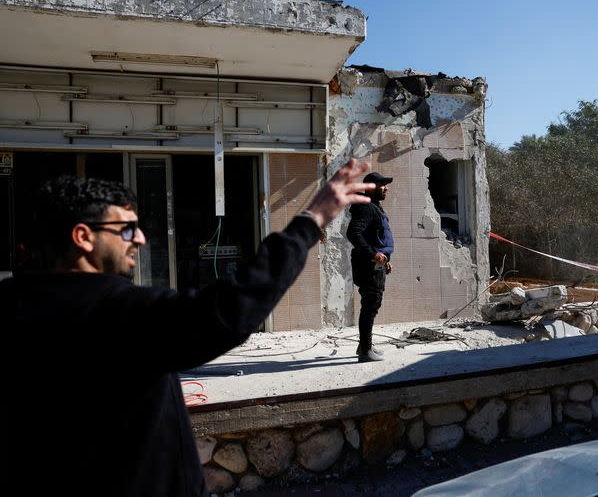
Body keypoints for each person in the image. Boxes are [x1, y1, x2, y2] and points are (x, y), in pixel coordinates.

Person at [3, 159, 374, 497]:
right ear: (83, 237)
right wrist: (310, 222)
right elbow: (232, 307)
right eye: (127, 230)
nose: (141, 240)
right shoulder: (119, 312)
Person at [346, 171, 394, 362]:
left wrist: (386, 260)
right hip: (368, 265)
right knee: (370, 306)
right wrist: (373, 254)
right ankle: (365, 350)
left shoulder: (374, 207)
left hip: (376, 265)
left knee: (372, 305)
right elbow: (353, 233)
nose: (386, 188)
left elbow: (376, 237)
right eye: (382, 184)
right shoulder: (366, 208)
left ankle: (365, 345)